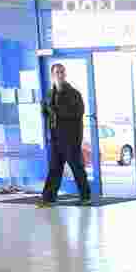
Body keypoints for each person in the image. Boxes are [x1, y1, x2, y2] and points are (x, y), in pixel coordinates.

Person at [40, 63, 92, 207]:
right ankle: (48, 198)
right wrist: (46, 111)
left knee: (76, 167)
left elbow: (77, 113)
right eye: (57, 72)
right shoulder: (50, 94)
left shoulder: (73, 93)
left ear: (65, 74)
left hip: (70, 138)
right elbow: (45, 111)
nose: (60, 75)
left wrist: (56, 111)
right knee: (54, 168)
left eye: (62, 72)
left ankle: (85, 196)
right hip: (55, 138)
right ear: (52, 75)